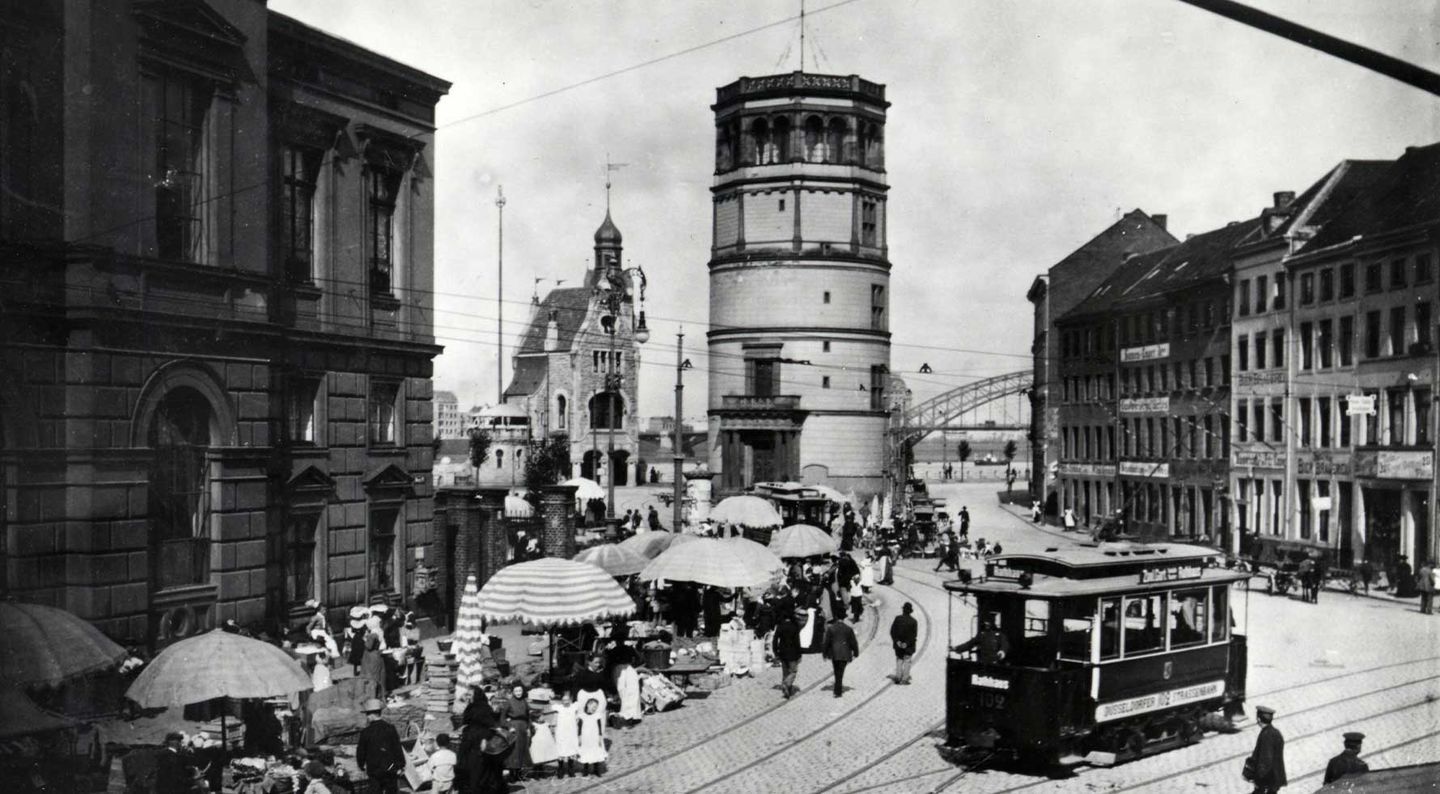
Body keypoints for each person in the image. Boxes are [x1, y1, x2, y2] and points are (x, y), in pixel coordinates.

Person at [356, 699, 405, 794]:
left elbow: (361, 751)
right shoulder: (390, 728)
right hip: (390, 769)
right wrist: (401, 764)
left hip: (374, 770)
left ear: (371, 715)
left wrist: (361, 765)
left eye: (367, 714)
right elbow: (397, 748)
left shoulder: (366, 732)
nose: (367, 717)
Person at [1247, 705, 1287, 794]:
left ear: (1259, 719)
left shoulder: (1266, 735)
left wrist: (1258, 780)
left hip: (1267, 780)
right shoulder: (1276, 732)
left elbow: (1266, 760)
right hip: (1275, 778)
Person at [821, 614, 860, 698]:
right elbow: (853, 642)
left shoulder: (831, 629)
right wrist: (856, 652)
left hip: (834, 653)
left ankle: (837, 688)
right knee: (840, 671)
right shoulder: (848, 629)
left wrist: (824, 654)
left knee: (836, 670)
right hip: (845, 653)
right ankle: (838, 690)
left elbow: (826, 642)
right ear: (844, 618)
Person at [499, 683, 532, 781]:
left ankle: (519, 773)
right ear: (513, 692)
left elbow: (528, 716)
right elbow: (502, 718)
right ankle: (512, 774)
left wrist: (529, 727)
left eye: (520, 691)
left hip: (523, 728)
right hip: (514, 728)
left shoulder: (524, 702)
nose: (518, 693)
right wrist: (509, 727)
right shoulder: (509, 702)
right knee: (514, 751)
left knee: (523, 750)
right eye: (516, 691)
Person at [576, 691, 608, 776]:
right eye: (593, 706)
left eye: (596, 707)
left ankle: (596, 769)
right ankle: (585, 770)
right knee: (586, 752)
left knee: (595, 752)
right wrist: (579, 737)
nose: (594, 709)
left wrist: (600, 737)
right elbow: (579, 727)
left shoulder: (597, 716)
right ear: (588, 705)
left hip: (594, 736)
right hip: (585, 737)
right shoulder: (582, 716)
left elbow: (599, 727)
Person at [551, 690, 581, 778]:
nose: (566, 702)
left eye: (567, 700)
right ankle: (560, 769)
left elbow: (578, 716)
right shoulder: (559, 708)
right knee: (561, 750)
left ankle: (571, 769)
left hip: (571, 732)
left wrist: (577, 720)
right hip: (561, 732)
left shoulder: (574, 707)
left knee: (571, 750)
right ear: (561, 701)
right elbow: (554, 717)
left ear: (570, 700)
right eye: (564, 700)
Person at [774, 610, 803, 699]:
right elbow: (797, 641)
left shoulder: (780, 626)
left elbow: (775, 640)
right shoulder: (795, 626)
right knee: (793, 671)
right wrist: (799, 653)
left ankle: (787, 690)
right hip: (793, 652)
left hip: (782, 652)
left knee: (785, 672)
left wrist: (775, 651)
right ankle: (786, 684)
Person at [890, 602, 918, 685]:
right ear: (910, 611)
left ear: (903, 610)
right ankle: (905, 679)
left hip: (898, 645)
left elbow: (892, 631)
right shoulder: (913, 621)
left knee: (899, 660)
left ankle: (898, 677)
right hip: (908, 646)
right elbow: (914, 635)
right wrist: (906, 643)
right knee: (907, 661)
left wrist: (897, 641)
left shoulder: (897, 619)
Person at [360, 632, 387, 699]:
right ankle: (380, 695)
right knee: (378, 678)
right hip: (374, 660)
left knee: (371, 679)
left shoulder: (366, 650)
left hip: (369, 662)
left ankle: (374, 696)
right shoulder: (374, 638)